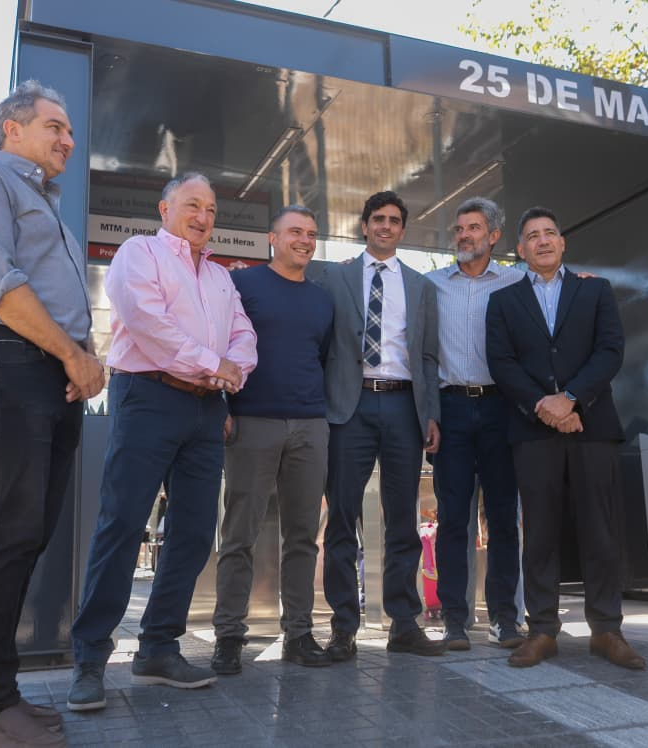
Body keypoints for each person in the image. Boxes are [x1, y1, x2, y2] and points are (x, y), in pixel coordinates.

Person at [0, 80, 105, 747]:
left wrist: (78, 358)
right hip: (4, 358)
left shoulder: (46, 206)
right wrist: (72, 353)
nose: (68, 139)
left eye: (70, 130)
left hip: (48, 371)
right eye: (55, 126)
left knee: (26, 536)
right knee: (10, 535)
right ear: (12, 127)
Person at [66, 173, 257, 711]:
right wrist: (213, 363)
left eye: (211, 210)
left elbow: (244, 333)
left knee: (194, 533)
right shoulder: (139, 253)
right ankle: (89, 659)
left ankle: (157, 648)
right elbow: (148, 323)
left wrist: (233, 368)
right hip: (148, 396)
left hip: (207, 408)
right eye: (192, 205)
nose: (203, 217)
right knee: (123, 524)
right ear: (164, 209)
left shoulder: (220, 277)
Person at [486, 206, 645, 670]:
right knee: (539, 532)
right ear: (520, 249)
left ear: (562, 242)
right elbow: (502, 363)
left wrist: (572, 399)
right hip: (533, 431)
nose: (542, 240)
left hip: (593, 427)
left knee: (600, 529)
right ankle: (541, 630)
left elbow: (610, 350)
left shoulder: (595, 290)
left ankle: (607, 630)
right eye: (532, 235)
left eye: (550, 233)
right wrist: (545, 406)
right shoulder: (503, 301)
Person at [310, 191, 446, 659]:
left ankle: (404, 624)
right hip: (349, 407)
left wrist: (431, 414)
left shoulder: (421, 286)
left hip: (405, 407)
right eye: (378, 219)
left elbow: (428, 356)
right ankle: (343, 627)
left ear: (403, 230)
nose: (386, 226)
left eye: (394, 220)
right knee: (342, 517)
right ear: (365, 225)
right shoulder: (334, 277)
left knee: (403, 519)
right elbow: (319, 344)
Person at [210, 205, 335, 674]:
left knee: (303, 536)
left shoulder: (322, 300)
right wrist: (222, 407)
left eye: (312, 233)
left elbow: (322, 358)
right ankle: (228, 636)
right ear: (272, 238)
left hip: (310, 425)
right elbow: (220, 346)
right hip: (252, 421)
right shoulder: (241, 285)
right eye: (295, 231)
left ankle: (299, 635)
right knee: (239, 534)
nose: (304, 240)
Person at [424, 197, 524, 650]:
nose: (464, 235)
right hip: (452, 412)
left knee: (503, 517)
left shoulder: (516, 281)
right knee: (452, 519)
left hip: (502, 409)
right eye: (460, 228)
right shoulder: (431, 285)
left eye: (474, 227)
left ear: (494, 235)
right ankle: (454, 620)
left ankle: (505, 617)